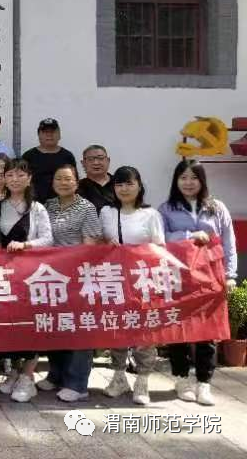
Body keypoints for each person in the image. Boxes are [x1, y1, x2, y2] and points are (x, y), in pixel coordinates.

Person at [159, 159, 238, 406]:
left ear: (202, 181)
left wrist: (230, 275)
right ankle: (181, 379)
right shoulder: (166, 209)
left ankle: (204, 383)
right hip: (179, 278)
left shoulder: (217, 207)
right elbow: (161, 238)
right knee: (178, 329)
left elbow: (229, 243)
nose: (188, 182)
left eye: (194, 177)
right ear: (176, 180)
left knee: (208, 332)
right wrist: (188, 235)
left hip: (210, 277)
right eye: (183, 177)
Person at [100, 166, 165, 406]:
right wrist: (106, 244)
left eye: (129, 183)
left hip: (143, 280)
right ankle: (118, 377)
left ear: (139, 186)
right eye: (119, 184)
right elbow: (98, 243)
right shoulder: (106, 212)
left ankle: (142, 380)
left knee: (144, 332)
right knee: (117, 328)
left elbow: (160, 248)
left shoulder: (150, 214)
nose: (124, 189)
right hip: (115, 280)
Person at [0, 159, 53, 403]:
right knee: (7, 325)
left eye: (20, 175)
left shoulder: (37, 209)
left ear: (29, 179)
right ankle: (14, 372)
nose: (15, 179)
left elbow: (48, 239)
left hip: (30, 274)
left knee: (29, 325)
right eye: (10, 175)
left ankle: (28, 377)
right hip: (3, 276)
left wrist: (26, 245)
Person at [41, 165, 102, 402]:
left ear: (76, 182)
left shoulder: (87, 208)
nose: (63, 183)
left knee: (79, 329)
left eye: (68, 179)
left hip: (78, 276)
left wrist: (70, 264)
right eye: (59, 178)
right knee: (56, 325)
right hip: (52, 277)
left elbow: (90, 246)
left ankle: (78, 384)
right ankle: (56, 374)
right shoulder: (48, 205)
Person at [21, 118, 76, 204]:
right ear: (39, 135)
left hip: (63, 205)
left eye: (52, 132)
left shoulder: (68, 156)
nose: (49, 135)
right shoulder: (28, 156)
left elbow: (74, 181)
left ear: (59, 134)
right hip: (34, 204)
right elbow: (22, 181)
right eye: (45, 132)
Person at [77, 144, 115, 214]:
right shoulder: (77, 188)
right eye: (90, 159)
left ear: (108, 160)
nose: (96, 163)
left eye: (100, 158)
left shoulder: (119, 183)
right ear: (83, 163)